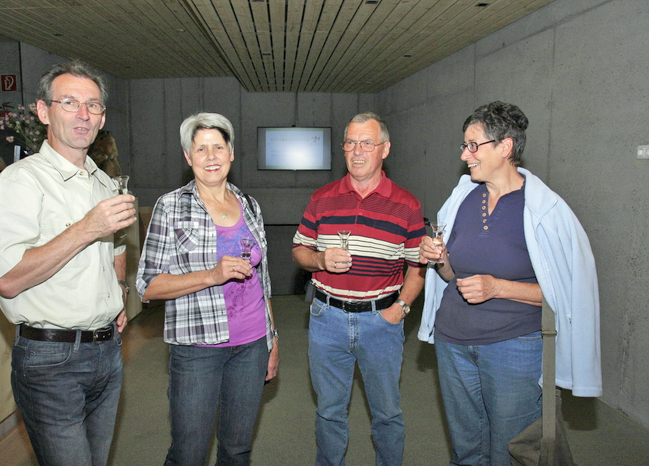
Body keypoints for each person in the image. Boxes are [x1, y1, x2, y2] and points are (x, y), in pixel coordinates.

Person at [418, 101, 601, 465]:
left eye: (473, 145)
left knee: (510, 450)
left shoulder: (546, 210)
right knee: (465, 448)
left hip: (514, 348)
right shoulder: (463, 199)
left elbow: (569, 295)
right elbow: (453, 277)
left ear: (505, 147)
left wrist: (499, 288)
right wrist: (440, 259)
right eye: (464, 145)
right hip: (453, 343)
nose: (464, 155)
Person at [0, 60, 136, 466]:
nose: (83, 114)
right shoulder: (20, 181)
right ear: (43, 111)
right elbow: (8, 280)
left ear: (102, 117)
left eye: (93, 105)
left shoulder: (104, 182)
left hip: (107, 351)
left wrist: (119, 290)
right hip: (51, 359)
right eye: (69, 102)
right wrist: (87, 227)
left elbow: (117, 245)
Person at [136, 112, 279, 466]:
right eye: (201, 149)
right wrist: (211, 276)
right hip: (197, 349)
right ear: (188, 157)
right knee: (189, 453)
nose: (211, 156)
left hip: (252, 345)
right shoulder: (171, 207)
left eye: (218, 147)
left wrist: (272, 338)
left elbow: (263, 281)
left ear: (232, 153)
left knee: (237, 449)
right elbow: (147, 285)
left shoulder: (250, 205)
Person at [292, 112, 426, 465]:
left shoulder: (407, 204)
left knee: (387, 414)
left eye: (367, 143)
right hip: (327, 319)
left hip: (380, 322)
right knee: (329, 412)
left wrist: (400, 309)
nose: (357, 151)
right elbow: (299, 250)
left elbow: (418, 267)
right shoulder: (322, 198)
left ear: (385, 149)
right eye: (350, 143)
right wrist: (320, 260)